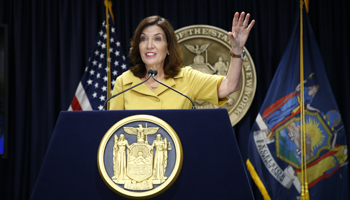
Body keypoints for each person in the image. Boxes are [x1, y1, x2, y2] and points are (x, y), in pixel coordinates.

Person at [110, 12, 255, 110]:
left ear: (168, 48)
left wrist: (237, 50)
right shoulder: (124, 82)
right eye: (143, 39)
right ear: (138, 46)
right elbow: (112, 130)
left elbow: (230, 86)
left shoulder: (186, 78)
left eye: (157, 39)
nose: (149, 45)